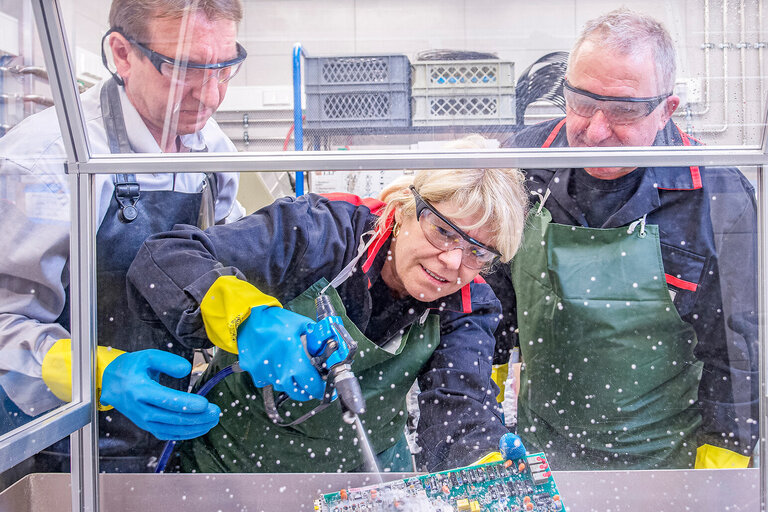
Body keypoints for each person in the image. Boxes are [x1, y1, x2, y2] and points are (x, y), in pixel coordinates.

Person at [125, 139, 529, 472]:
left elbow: (460, 408)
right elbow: (167, 255)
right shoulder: (320, 232)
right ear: (407, 207)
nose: (453, 262)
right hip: (233, 466)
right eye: (443, 230)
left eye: (478, 251)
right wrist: (250, 321)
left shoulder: (470, 305)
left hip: (364, 481)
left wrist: (485, 465)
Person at [487, 8, 758, 470]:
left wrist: (718, 473)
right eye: (582, 103)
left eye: (623, 111)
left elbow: (738, 349)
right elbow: (491, 304)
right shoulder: (522, 164)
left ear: (666, 110)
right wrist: (480, 424)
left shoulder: (718, 193)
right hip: (540, 459)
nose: (595, 132)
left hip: (665, 465)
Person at [0, 0, 247, 473]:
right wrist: (103, 375)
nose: (211, 95)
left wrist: (256, 316)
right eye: (186, 69)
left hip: (166, 434)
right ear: (122, 53)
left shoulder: (210, 147)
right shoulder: (48, 164)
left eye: (224, 67)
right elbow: (5, 322)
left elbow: (218, 257)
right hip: (50, 441)